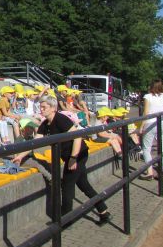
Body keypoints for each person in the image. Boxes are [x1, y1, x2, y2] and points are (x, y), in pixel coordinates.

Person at [12, 95, 111, 225]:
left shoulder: (61, 119)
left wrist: (73, 158)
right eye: (41, 107)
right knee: (84, 185)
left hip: (78, 155)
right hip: (69, 156)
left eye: (44, 107)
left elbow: (77, 137)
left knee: (67, 185)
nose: (41, 109)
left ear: (53, 108)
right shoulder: (45, 124)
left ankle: (65, 219)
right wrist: (20, 156)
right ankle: (103, 211)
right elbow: (35, 142)